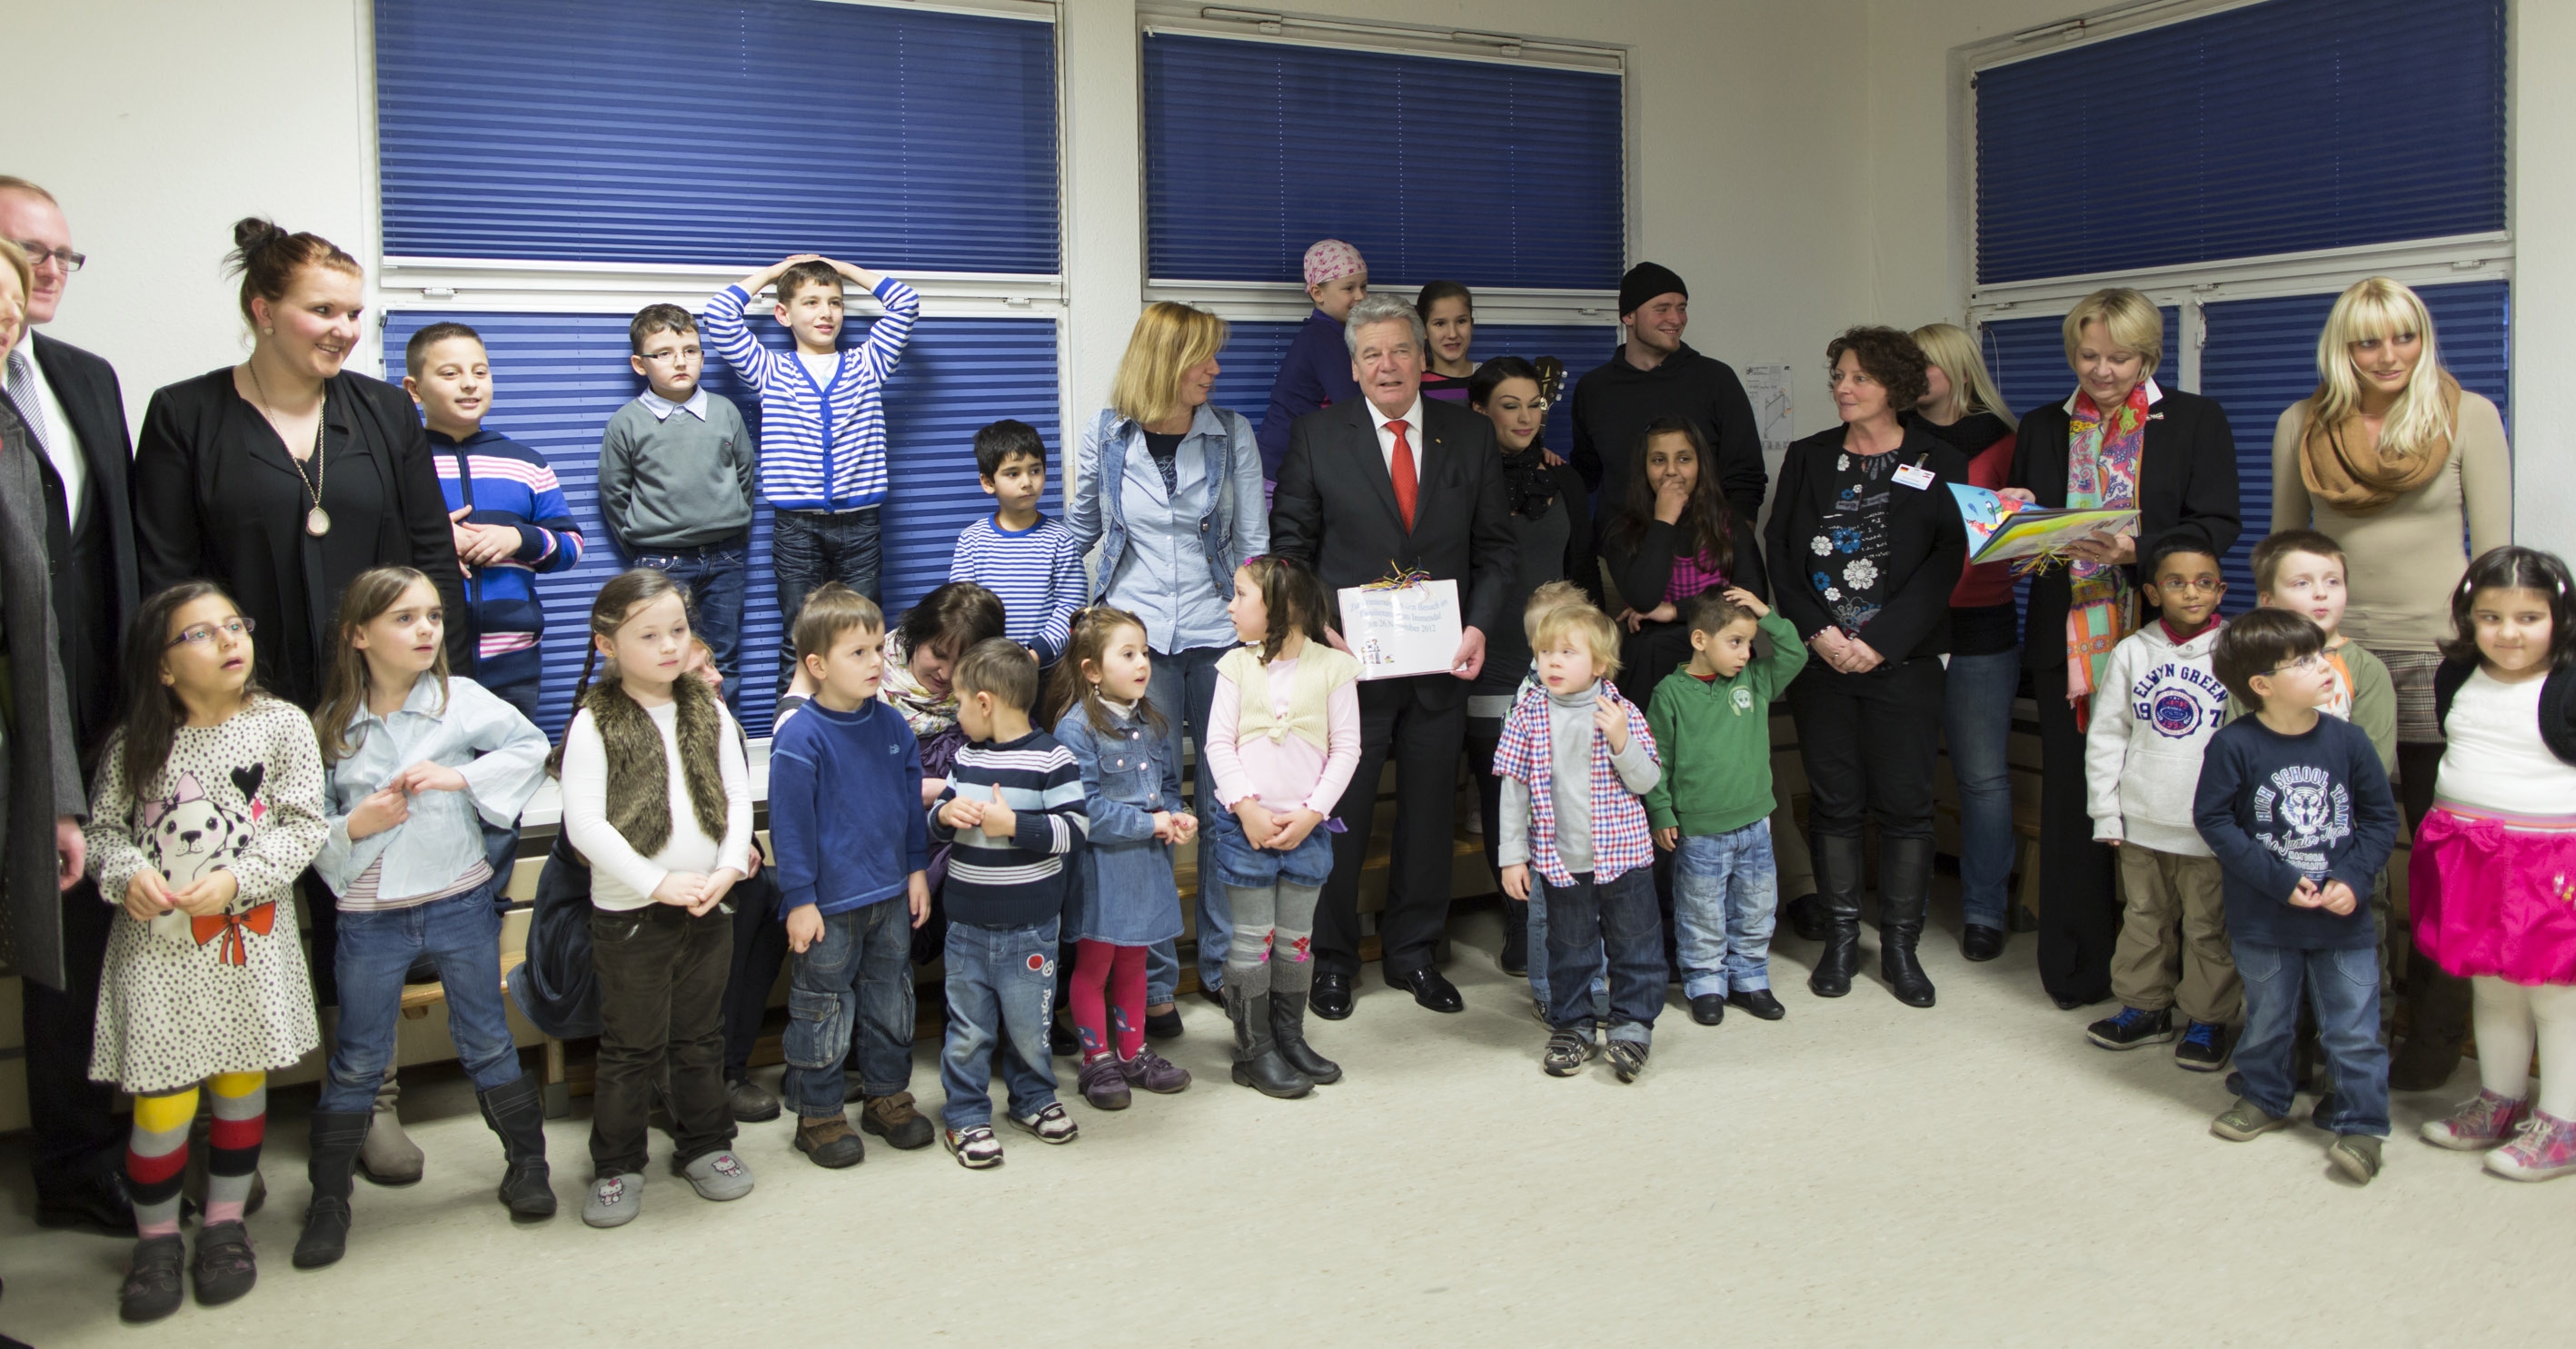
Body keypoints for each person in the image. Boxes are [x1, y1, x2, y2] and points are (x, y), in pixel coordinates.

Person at [2270, 278, 2511, 1093]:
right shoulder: (2300, 424)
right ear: (2342, 347)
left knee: (2441, 860)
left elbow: (2493, 559)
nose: (2387, 355)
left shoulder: (2466, 415)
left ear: (2422, 338)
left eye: (2402, 336)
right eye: (2367, 340)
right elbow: (2285, 551)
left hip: (2437, 658)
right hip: (2331, 660)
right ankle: (2331, 1033)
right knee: (2325, 846)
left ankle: (2432, 1039)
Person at [83, 582, 328, 1322]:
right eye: (201, 633)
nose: (228, 640)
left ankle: (224, 1226)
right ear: (163, 667)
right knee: (162, 1103)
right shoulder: (133, 742)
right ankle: (155, 1240)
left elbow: (303, 825)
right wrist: (127, 873)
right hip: (158, 954)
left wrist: (236, 880)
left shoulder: (282, 724)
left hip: (245, 947)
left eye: (234, 625)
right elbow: (103, 834)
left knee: (240, 1088)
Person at [1270, 292, 1518, 1019]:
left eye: (1400, 350)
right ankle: (1333, 959)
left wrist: (1478, 626)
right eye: (1371, 353)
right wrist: (1321, 627)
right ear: (1353, 366)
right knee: (1340, 816)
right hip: (1349, 667)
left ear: (1421, 357)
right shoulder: (1317, 435)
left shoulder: (1467, 435)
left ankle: (1414, 951)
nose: (1387, 364)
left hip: (1443, 664)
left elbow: (1496, 549)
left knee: (1428, 815)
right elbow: (1290, 551)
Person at [298, 568, 553, 1267]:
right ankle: (328, 1201)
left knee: (487, 1040)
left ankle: (528, 1165)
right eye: (405, 618)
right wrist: (357, 823)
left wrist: (460, 776)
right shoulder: (329, 726)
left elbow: (532, 747)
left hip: (458, 901)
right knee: (358, 1059)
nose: (426, 630)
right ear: (359, 634)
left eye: (434, 616)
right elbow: (304, 828)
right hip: (369, 918)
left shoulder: (459, 699)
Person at [2007, 287, 2240, 1011]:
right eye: (2087, 355)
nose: (2101, 371)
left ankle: (2183, 986)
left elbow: (2217, 523)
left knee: (2169, 806)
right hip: (2066, 641)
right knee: (2074, 801)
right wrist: (2014, 526)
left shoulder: (2194, 419)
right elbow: (2029, 532)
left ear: (2148, 356)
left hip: (2164, 641)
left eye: (2118, 357)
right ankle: (2076, 969)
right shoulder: (2043, 425)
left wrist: (2135, 548)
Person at [134, 219, 470, 709]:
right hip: (244, 700)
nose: (345, 330)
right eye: (322, 310)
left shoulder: (387, 410)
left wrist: (447, 688)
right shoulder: (185, 415)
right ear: (264, 312)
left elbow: (433, 557)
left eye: (353, 313)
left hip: (383, 696)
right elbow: (167, 579)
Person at [1068, 302, 1267, 1024]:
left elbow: (1253, 545)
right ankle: (1151, 984)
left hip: (1218, 636)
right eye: (1201, 357)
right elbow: (1078, 533)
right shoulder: (1107, 433)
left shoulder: (1230, 433)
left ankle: (1218, 964)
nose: (1214, 369)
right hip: (1135, 645)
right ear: (1164, 361)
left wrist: (1265, 635)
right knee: (1145, 807)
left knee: (1222, 802)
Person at [1766, 326, 1968, 1008]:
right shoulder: (1809, 455)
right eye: (1839, 376)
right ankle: (1842, 940)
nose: (1843, 388)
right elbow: (1780, 552)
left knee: (1907, 807)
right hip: (1823, 662)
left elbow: (1946, 560)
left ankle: (1902, 948)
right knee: (1834, 804)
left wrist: (1878, 641)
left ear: (1895, 387)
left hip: (1904, 661)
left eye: (1859, 377)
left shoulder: (1940, 460)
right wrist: (1819, 634)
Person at [554, 570, 755, 1227]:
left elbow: (737, 797)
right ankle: (616, 1163)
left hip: (707, 905)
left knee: (700, 1036)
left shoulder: (709, 707)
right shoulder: (594, 722)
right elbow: (585, 826)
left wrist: (729, 867)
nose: (670, 646)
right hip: (632, 914)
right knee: (631, 1045)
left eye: (678, 630)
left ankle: (706, 1143)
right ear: (607, 644)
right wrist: (654, 882)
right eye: (649, 635)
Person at [0, 229, 124, 1235]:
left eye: (58, 257)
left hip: (75, 716)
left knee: (73, 949)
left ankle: (80, 1163)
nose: (44, 274)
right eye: (23, 252)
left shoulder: (82, 378)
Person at [2196, 608, 2401, 1185]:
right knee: (2267, 1019)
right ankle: (2264, 1096)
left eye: (2320, 654)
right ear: (2262, 686)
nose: (2324, 666)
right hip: (2264, 918)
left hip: (2344, 921)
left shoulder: (2350, 742)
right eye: (2304, 662)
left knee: (2353, 1028)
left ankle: (2363, 1123)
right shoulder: (2232, 745)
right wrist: (2280, 881)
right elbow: (2215, 821)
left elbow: (2380, 820)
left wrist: (2352, 880)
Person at [2411, 547, 2576, 1179]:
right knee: (2489, 982)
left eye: (2529, 617)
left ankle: (2563, 1123)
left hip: (2549, 860)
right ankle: (2499, 1100)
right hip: (2468, 852)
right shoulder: (2457, 673)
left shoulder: (2566, 681)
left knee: (2553, 992)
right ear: (2468, 618)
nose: (2509, 633)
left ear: (2560, 618)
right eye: (2491, 617)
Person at [769, 583, 934, 1168]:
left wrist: (917, 871)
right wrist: (800, 900)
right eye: (857, 653)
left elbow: (908, 809)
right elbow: (789, 828)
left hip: (890, 896)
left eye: (877, 649)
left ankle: (887, 1097)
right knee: (823, 1008)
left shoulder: (892, 726)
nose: (874, 663)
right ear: (817, 666)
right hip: (828, 906)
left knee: (891, 999)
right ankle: (818, 1115)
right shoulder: (800, 735)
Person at [1202, 555, 1360, 1097]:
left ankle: (1288, 1037)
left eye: (1240, 594)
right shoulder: (1234, 666)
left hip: (1307, 830)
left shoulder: (1334, 668)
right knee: (1252, 942)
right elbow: (1218, 745)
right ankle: (1254, 1049)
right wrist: (1246, 808)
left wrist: (1314, 812)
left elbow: (1347, 749)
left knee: (1296, 942)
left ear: (1282, 606)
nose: (1230, 605)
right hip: (1244, 828)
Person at [2078, 540, 2238, 1070]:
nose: (2191, 592)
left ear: (2221, 589)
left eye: (2204, 582)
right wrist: (2106, 810)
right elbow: (2108, 735)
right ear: (2151, 592)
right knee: (2144, 917)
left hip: (2209, 827)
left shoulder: (2237, 651)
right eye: (2176, 582)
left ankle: (2208, 1019)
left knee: (2207, 926)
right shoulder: (2132, 651)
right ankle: (2145, 1009)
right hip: (2141, 819)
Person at [930, 638, 1088, 1167]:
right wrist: (944, 816)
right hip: (966, 926)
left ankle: (1034, 1100)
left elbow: (1074, 831)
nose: (956, 714)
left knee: (1029, 1028)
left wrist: (1015, 825)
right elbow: (939, 815)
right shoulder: (965, 757)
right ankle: (966, 1115)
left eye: (958, 702)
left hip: (1031, 929)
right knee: (967, 1031)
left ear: (984, 702)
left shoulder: (1053, 758)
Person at [1462, 356, 1594, 977]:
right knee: (1505, 800)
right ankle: (1519, 919)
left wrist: (1595, 663)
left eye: (1533, 405)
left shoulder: (1563, 480)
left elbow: (1583, 573)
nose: (1524, 417)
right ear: (1479, 411)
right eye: (1508, 405)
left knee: (1564, 797)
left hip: (1559, 668)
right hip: (1489, 665)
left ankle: (1563, 917)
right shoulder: (1461, 479)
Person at [1495, 601, 1663, 1081]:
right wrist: (1512, 858)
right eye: (1545, 652)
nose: (1553, 661)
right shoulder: (1527, 715)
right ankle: (1573, 1026)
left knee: (1636, 946)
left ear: (1599, 664)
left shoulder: (1620, 712)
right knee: (1570, 949)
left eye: (1567, 652)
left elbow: (1647, 780)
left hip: (1624, 857)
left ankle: (1632, 1028)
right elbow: (1513, 791)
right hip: (1561, 861)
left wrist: (1621, 740)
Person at [703, 254, 919, 624]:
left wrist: (839, 267)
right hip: (796, 528)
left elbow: (906, 302)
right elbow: (720, 316)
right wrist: (776, 273)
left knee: (862, 629)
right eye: (811, 302)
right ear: (783, 314)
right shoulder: (770, 370)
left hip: (861, 525)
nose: (826, 313)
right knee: (799, 633)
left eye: (835, 302)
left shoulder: (868, 364)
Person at [1047, 608, 1196, 1108]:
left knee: (1135, 962)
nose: (1143, 664)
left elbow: (1166, 785)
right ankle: (1097, 1059)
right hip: (1102, 869)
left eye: (1145, 653)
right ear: (1092, 670)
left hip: (1146, 864)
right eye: (1128, 654)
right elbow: (1085, 810)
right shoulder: (1076, 729)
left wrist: (1177, 814)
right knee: (1095, 966)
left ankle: (1132, 1053)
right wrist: (1151, 823)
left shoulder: (1150, 720)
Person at [402, 323, 584, 720]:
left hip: (514, 659)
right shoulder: (400, 462)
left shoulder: (526, 463)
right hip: (424, 660)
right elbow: (374, 546)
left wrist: (518, 539)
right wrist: (435, 538)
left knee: (509, 756)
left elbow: (571, 545)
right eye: (450, 373)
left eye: (479, 372)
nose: (469, 383)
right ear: (414, 389)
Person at [1909, 322, 2022, 961]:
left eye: (1922, 365)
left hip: (1982, 625)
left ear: (1954, 368)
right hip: (1912, 626)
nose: (1910, 378)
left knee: (1982, 778)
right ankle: (1908, 905)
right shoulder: (1898, 439)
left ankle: (1984, 909)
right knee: (1908, 774)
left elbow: (2027, 534)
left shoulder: (2001, 440)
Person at [1645, 587, 1807, 1027]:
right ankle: (1705, 983)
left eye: (1750, 643)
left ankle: (1750, 977)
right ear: (1700, 640)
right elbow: (1657, 759)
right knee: (1701, 910)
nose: (1745, 653)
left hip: (1755, 824)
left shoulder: (1755, 680)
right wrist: (1661, 811)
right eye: (1735, 642)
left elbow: (1795, 654)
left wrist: (1765, 614)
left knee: (1756, 906)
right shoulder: (1669, 693)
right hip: (1699, 831)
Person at [596, 303, 756, 709]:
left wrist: (732, 527)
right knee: (663, 662)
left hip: (725, 558)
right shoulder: (627, 422)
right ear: (640, 364)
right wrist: (642, 544)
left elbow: (745, 477)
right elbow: (615, 494)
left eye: (690, 350)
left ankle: (725, 739)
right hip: (660, 560)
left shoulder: (724, 412)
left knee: (722, 658)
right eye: (664, 353)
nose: (680, 361)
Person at [1567, 262, 1765, 519]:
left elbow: (1746, 478)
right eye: (1662, 309)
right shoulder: (1594, 388)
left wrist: (1738, 540)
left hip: (1701, 541)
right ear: (1628, 316)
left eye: (1681, 308)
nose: (1676, 319)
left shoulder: (1716, 380)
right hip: (1618, 541)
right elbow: (1585, 475)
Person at [1597, 417, 1768, 703]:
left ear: (1701, 465)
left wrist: (1675, 611)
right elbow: (1644, 599)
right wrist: (1664, 520)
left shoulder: (1729, 524)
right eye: (1658, 460)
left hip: (1721, 655)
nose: (1671, 471)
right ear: (1643, 467)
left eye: (1684, 459)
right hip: (1653, 659)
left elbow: (1753, 598)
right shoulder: (1622, 532)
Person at [950, 420, 1085, 667]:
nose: (1027, 482)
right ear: (988, 482)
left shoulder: (1060, 539)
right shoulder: (972, 540)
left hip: (1046, 668)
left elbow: (1070, 608)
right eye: (1013, 473)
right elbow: (963, 609)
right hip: (990, 667)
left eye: (1035, 470)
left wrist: (1034, 655)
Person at [1255, 239, 1368, 480]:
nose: (1361, 296)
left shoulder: (1329, 334)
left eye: (1364, 286)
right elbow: (1353, 404)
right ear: (1317, 293)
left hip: (1291, 460)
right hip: (1282, 466)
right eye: (1349, 288)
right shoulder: (1323, 338)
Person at [1416, 280, 1477, 403]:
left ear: (1471, 325)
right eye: (1440, 324)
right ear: (1424, 330)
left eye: (1461, 321)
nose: (1452, 334)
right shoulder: (1414, 386)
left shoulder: (1491, 379)